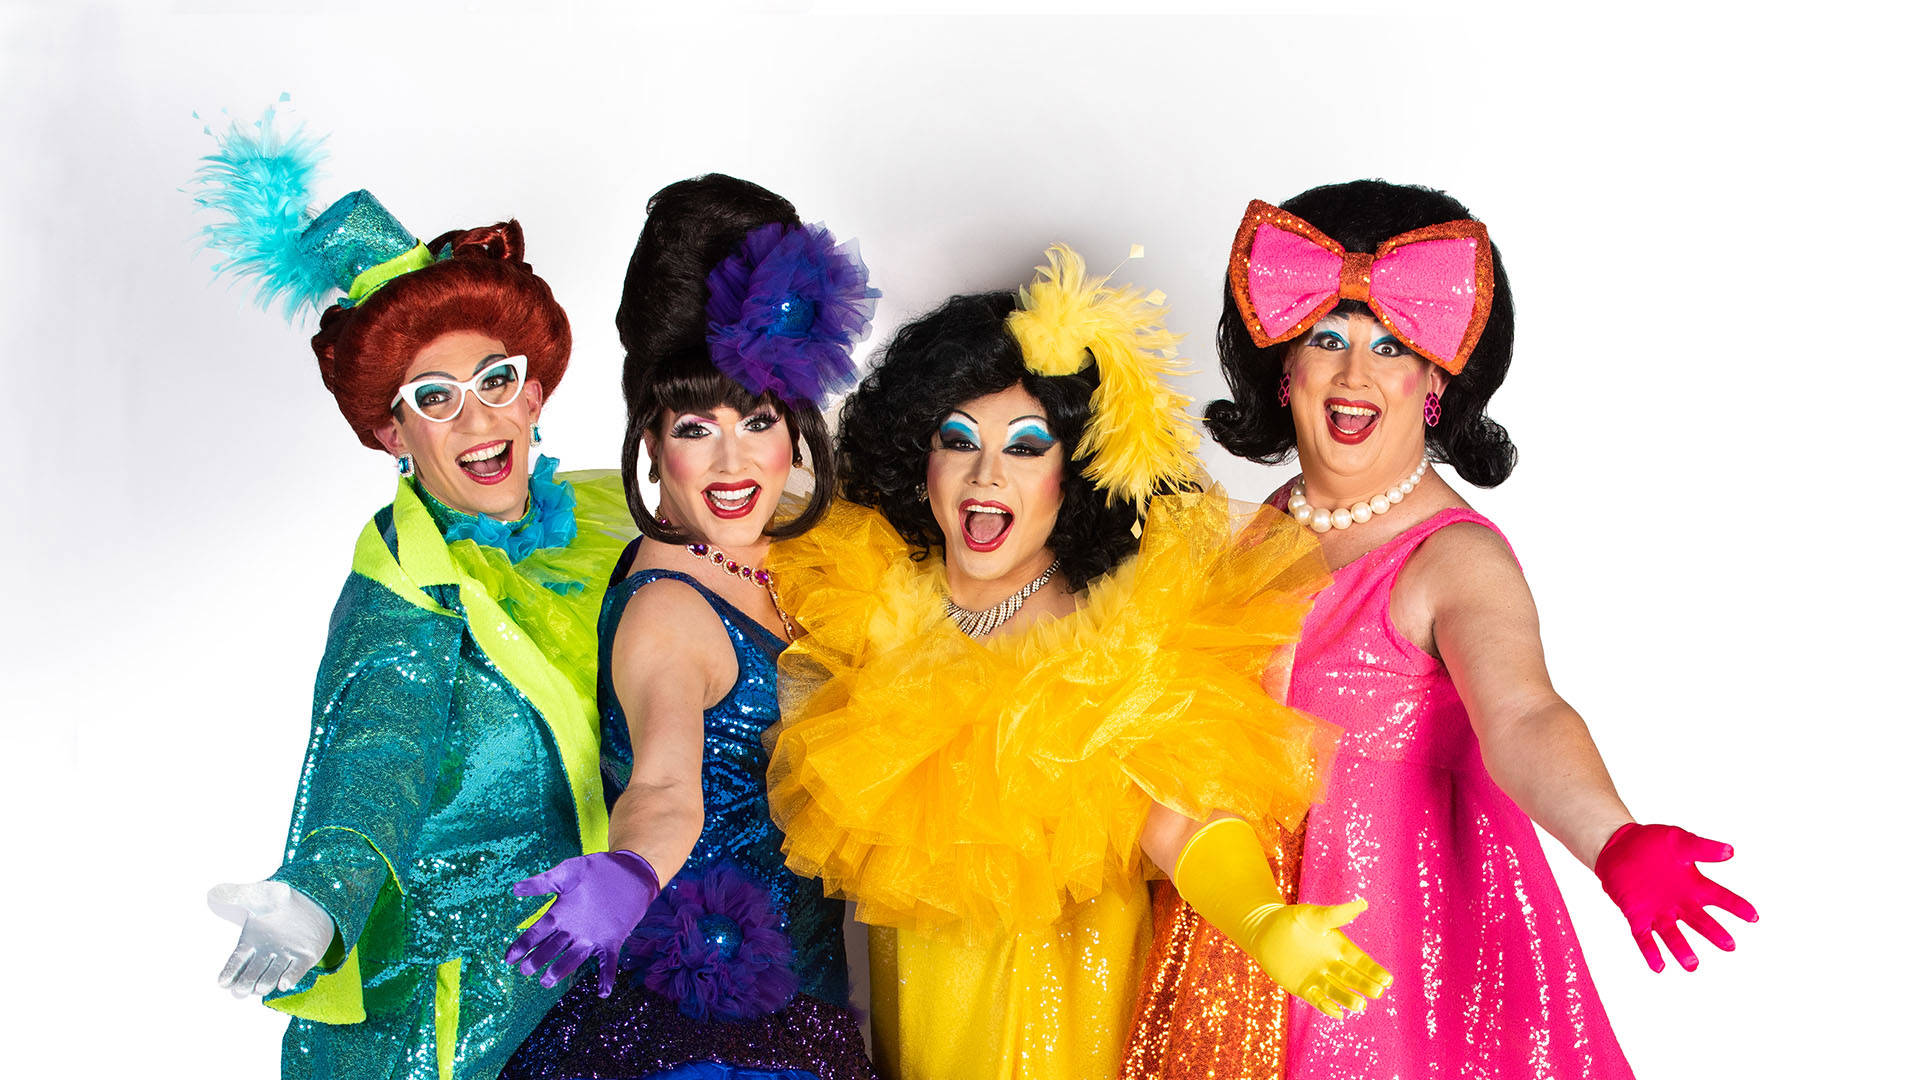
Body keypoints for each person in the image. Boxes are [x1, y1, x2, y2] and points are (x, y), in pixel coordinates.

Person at [1124, 180, 1757, 1079]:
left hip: (1400, 948)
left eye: (1392, 347)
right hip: (1245, 935)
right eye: (1327, 339)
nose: (1354, 375)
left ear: (1434, 384)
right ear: (1285, 369)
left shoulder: (1453, 559)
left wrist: (1612, 837)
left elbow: (1525, 715)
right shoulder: (1261, 528)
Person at [764, 246, 1391, 1080]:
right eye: (959, 441)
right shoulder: (865, 610)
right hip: (922, 1039)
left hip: (1071, 1034)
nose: (987, 475)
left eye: (1027, 447)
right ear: (921, 460)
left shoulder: (1120, 636)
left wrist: (1258, 918)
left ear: (1074, 473)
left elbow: (1179, 813)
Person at [194, 108, 634, 1080]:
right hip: (462, 1009)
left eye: (495, 380)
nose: (475, 418)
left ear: (534, 393)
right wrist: (320, 894)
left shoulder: (612, 516)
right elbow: (375, 747)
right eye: (434, 397)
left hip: (614, 967)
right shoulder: (404, 588)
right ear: (395, 435)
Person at [501, 174, 878, 1080]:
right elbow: (667, 785)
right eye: (696, 429)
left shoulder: (786, 558)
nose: (733, 463)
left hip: (810, 998)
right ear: (651, 439)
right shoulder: (669, 610)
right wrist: (631, 869)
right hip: (709, 1038)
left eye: (759, 421)